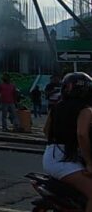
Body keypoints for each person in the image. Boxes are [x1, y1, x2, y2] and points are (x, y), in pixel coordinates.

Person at [43, 72, 92, 212]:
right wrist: (89, 162)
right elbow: (82, 134)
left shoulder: (56, 107)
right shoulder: (86, 110)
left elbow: (46, 131)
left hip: (53, 156)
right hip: (64, 161)